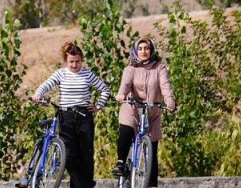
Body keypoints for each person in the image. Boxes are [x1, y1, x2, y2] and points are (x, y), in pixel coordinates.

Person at [32, 41, 109, 188]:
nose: (74, 65)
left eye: (77, 62)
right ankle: (86, 185)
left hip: (84, 116)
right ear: (66, 61)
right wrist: (38, 94)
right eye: (71, 62)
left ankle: (78, 185)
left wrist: (98, 106)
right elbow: (47, 84)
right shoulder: (60, 74)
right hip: (66, 116)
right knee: (67, 154)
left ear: (82, 60)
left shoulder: (87, 74)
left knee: (85, 154)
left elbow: (104, 89)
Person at [113, 38, 176, 187]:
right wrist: (121, 94)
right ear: (136, 51)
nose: (143, 51)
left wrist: (170, 100)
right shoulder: (130, 69)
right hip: (132, 108)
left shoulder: (159, 68)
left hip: (152, 111)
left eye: (146, 48)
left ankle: (152, 184)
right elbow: (125, 85)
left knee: (152, 149)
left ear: (151, 50)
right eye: (140, 49)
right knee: (126, 130)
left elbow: (165, 86)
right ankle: (121, 164)